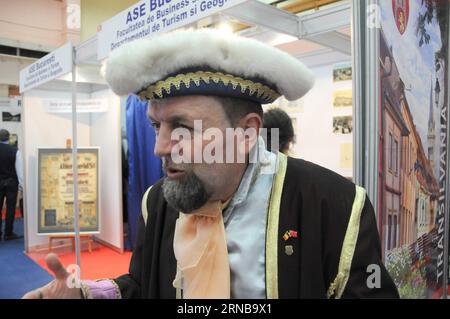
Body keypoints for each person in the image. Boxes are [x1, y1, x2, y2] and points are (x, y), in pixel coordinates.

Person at [23, 29, 398, 299]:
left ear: (248, 132)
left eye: (182, 128)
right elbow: (142, 284)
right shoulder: (158, 202)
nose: (160, 147)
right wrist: (88, 295)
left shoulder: (334, 205)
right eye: (156, 126)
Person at [0, 129, 23, 240]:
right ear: (8, 138)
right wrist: (22, 186)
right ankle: (8, 233)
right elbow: (19, 170)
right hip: (11, 183)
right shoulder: (15, 151)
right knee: (10, 208)